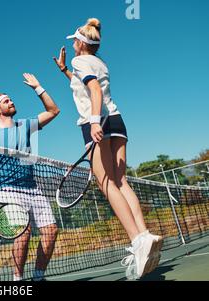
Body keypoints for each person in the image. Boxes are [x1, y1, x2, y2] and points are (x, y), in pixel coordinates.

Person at [53, 18, 163, 279]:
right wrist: (64, 71)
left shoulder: (81, 61)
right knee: (121, 181)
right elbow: (84, 85)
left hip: (97, 121)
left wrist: (92, 122)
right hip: (117, 121)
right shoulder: (98, 62)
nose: (74, 45)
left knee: (106, 183)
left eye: (75, 41)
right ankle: (145, 234)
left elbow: (93, 90)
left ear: (80, 43)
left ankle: (137, 240)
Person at [0, 73, 60, 281]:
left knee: (51, 231)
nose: (11, 101)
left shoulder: (25, 125)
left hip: (33, 187)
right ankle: (17, 280)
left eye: (10, 98)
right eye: (6, 100)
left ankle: (38, 277)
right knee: (22, 235)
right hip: (9, 190)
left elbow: (54, 111)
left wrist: (38, 87)